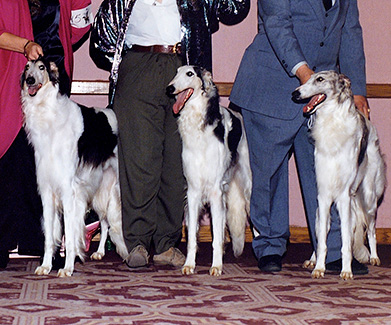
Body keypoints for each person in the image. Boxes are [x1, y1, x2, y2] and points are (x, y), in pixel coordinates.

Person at [90, 0, 250, 268]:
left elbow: (234, 8)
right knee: (140, 160)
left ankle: (167, 243)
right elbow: (101, 43)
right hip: (138, 67)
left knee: (177, 165)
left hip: (183, 67)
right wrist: (128, 61)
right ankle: (138, 242)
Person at [230, 0, 370, 273]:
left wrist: (358, 89)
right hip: (272, 85)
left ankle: (330, 250)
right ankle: (270, 246)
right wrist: (307, 77)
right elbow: (277, 24)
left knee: (326, 174)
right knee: (269, 174)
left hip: (322, 97)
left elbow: (350, 30)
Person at [0, 0, 92, 269]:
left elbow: (80, 23)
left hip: (53, 78)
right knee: (11, 152)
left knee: (53, 167)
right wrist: (25, 45)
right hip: (11, 73)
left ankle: (44, 243)